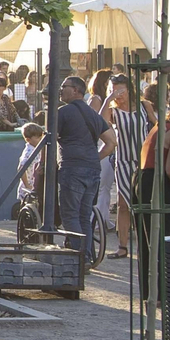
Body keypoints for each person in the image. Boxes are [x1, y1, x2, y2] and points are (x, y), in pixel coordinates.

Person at [55, 76, 116, 265]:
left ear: (76, 90)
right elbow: (111, 142)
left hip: (72, 168)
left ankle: (80, 257)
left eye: (64, 86)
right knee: (84, 215)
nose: (61, 89)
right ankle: (87, 256)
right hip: (92, 170)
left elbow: (49, 139)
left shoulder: (63, 112)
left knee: (71, 215)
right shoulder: (94, 115)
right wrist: (94, 158)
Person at [106, 75, 150, 260]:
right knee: (124, 205)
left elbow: (156, 124)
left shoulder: (144, 105)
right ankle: (122, 246)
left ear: (129, 89)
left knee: (142, 204)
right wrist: (108, 99)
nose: (118, 95)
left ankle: (144, 247)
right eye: (114, 90)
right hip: (123, 160)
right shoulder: (113, 111)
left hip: (143, 160)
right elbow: (100, 122)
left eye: (121, 90)